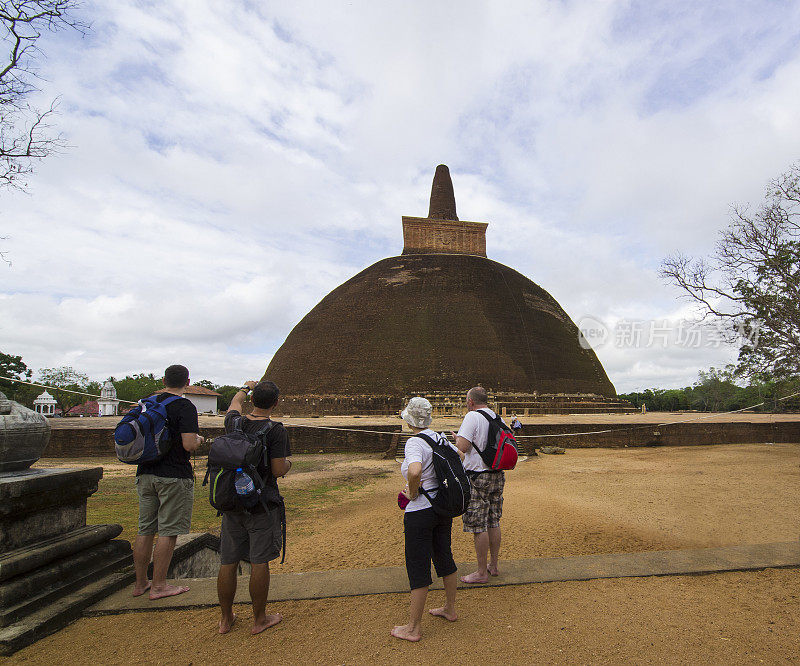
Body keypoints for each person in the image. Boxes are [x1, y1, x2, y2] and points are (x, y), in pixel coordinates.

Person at [217, 380, 292, 636]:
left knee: (228, 561)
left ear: (252, 400)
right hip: (260, 503)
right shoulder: (275, 430)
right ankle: (259, 619)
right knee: (259, 561)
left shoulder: (233, 422)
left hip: (231, 501)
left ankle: (226, 619)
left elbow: (234, 404)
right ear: (275, 402)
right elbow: (278, 469)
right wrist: (289, 465)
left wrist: (244, 387)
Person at [132, 364, 204, 600]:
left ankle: (141, 583)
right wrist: (199, 440)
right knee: (168, 531)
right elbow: (189, 445)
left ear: (164, 380)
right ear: (188, 381)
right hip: (173, 475)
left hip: (145, 472)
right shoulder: (184, 406)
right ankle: (160, 585)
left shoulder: (147, 403)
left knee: (145, 530)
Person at [392, 397, 460, 642]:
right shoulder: (439, 438)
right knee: (444, 555)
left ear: (410, 419)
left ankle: (413, 628)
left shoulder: (414, 442)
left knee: (418, 564)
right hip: (442, 507)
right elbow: (460, 456)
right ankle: (450, 608)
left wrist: (413, 490)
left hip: (420, 510)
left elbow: (415, 470)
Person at [452, 386, 506, 584]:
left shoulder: (472, 417)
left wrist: (457, 439)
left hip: (478, 476)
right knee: (493, 520)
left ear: (471, 402)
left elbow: (463, 448)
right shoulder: (496, 417)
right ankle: (494, 565)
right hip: (497, 475)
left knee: (478, 524)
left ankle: (481, 572)